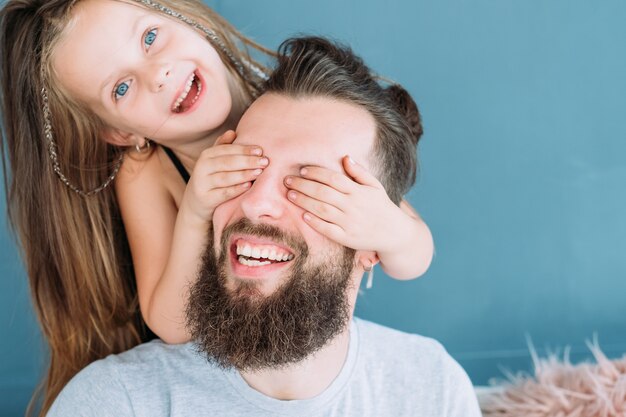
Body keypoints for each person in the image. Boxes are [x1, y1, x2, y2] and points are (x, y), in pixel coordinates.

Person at [0, 0, 433, 414]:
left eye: (150, 37)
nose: (159, 74)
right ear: (119, 132)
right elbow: (170, 324)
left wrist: (388, 230)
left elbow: (414, 255)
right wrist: (194, 211)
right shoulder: (148, 168)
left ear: (185, 18)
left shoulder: (297, 101)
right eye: (122, 87)